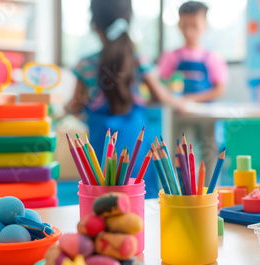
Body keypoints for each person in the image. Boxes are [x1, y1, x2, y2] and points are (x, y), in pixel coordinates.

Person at [65, 0, 181, 198]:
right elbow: (161, 97)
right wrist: (183, 102)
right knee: (137, 192)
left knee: (102, 193)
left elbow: (75, 105)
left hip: (99, 138)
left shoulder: (85, 64)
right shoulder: (138, 59)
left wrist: (78, 112)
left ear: (94, 24)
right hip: (135, 135)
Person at [158, 1, 228, 102]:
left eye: (194, 26)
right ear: (179, 25)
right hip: (178, 114)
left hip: (206, 113)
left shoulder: (213, 57)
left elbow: (220, 89)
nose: (189, 31)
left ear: (205, 25)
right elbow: (161, 84)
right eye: (185, 25)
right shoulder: (170, 56)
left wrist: (193, 99)